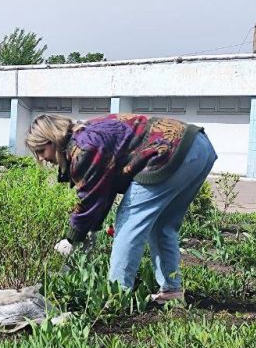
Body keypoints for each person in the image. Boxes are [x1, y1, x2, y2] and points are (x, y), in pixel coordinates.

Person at [26, 113, 217, 304]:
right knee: (162, 226)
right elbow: (102, 190)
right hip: (198, 147)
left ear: (53, 139)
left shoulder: (83, 146)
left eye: (41, 150)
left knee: (128, 222)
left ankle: (117, 296)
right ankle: (171, 292)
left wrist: (73, 237)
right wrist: (89, 227)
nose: (42, 159)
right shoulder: (87, 132)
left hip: (169, 151)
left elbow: (90, 197)